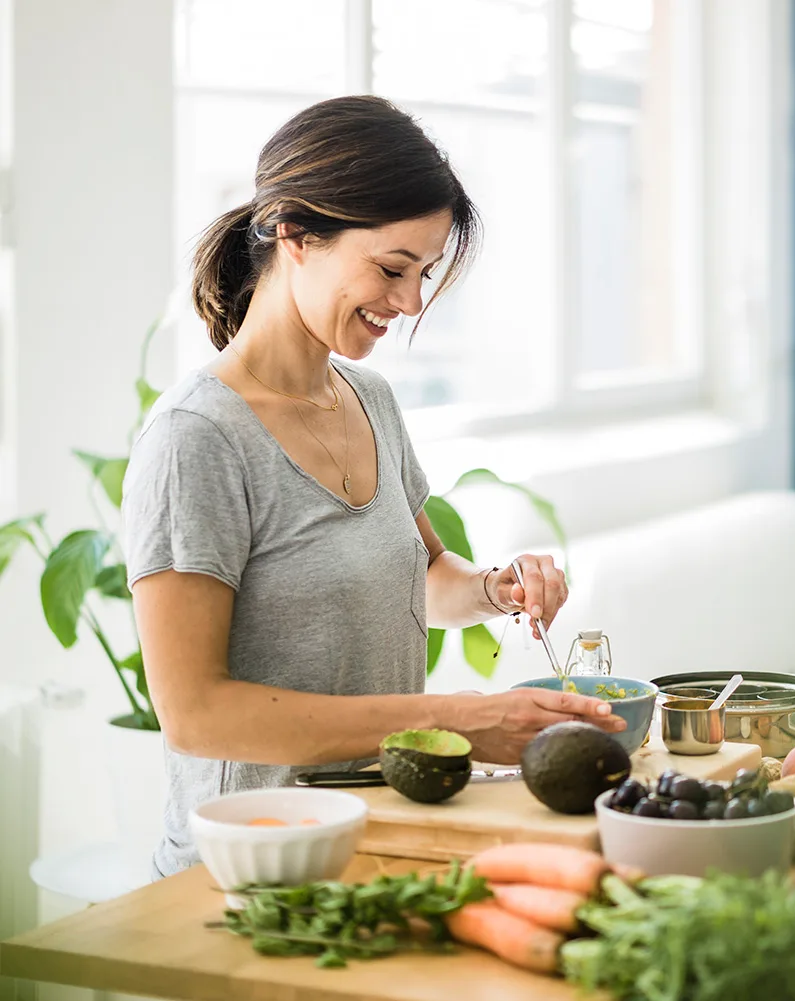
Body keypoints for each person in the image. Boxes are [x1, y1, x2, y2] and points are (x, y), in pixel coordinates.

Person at [123, 95, 623, 878]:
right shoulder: (198, 438)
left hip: (377, 837)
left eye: (423, 274)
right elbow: (196, 713)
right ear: (294, 232)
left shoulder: (371, 400)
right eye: (393, 268)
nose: (412, 302)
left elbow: (424, 578)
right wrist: (459, 718)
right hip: (251, 870)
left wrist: (496, 588)